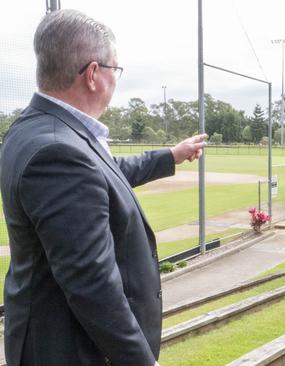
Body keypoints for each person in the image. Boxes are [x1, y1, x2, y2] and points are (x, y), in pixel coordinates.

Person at [1, 9, 206, 366]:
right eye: (115, 70)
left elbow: (104, 173)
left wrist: (171, 156)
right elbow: (91, 283)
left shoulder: (40, 130)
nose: (116, 80)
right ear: (94, 74)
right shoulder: (59, 151)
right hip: (72, 351)